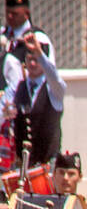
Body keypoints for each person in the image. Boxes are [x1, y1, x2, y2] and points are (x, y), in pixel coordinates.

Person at [6, 29, 65, 166]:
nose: (32, 64)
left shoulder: (54, 89)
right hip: (24, 167)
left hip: (48, 166)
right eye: (30, 59)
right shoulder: (17, 87)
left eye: (37, 60)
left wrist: (39, 53)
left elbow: (54, 77)